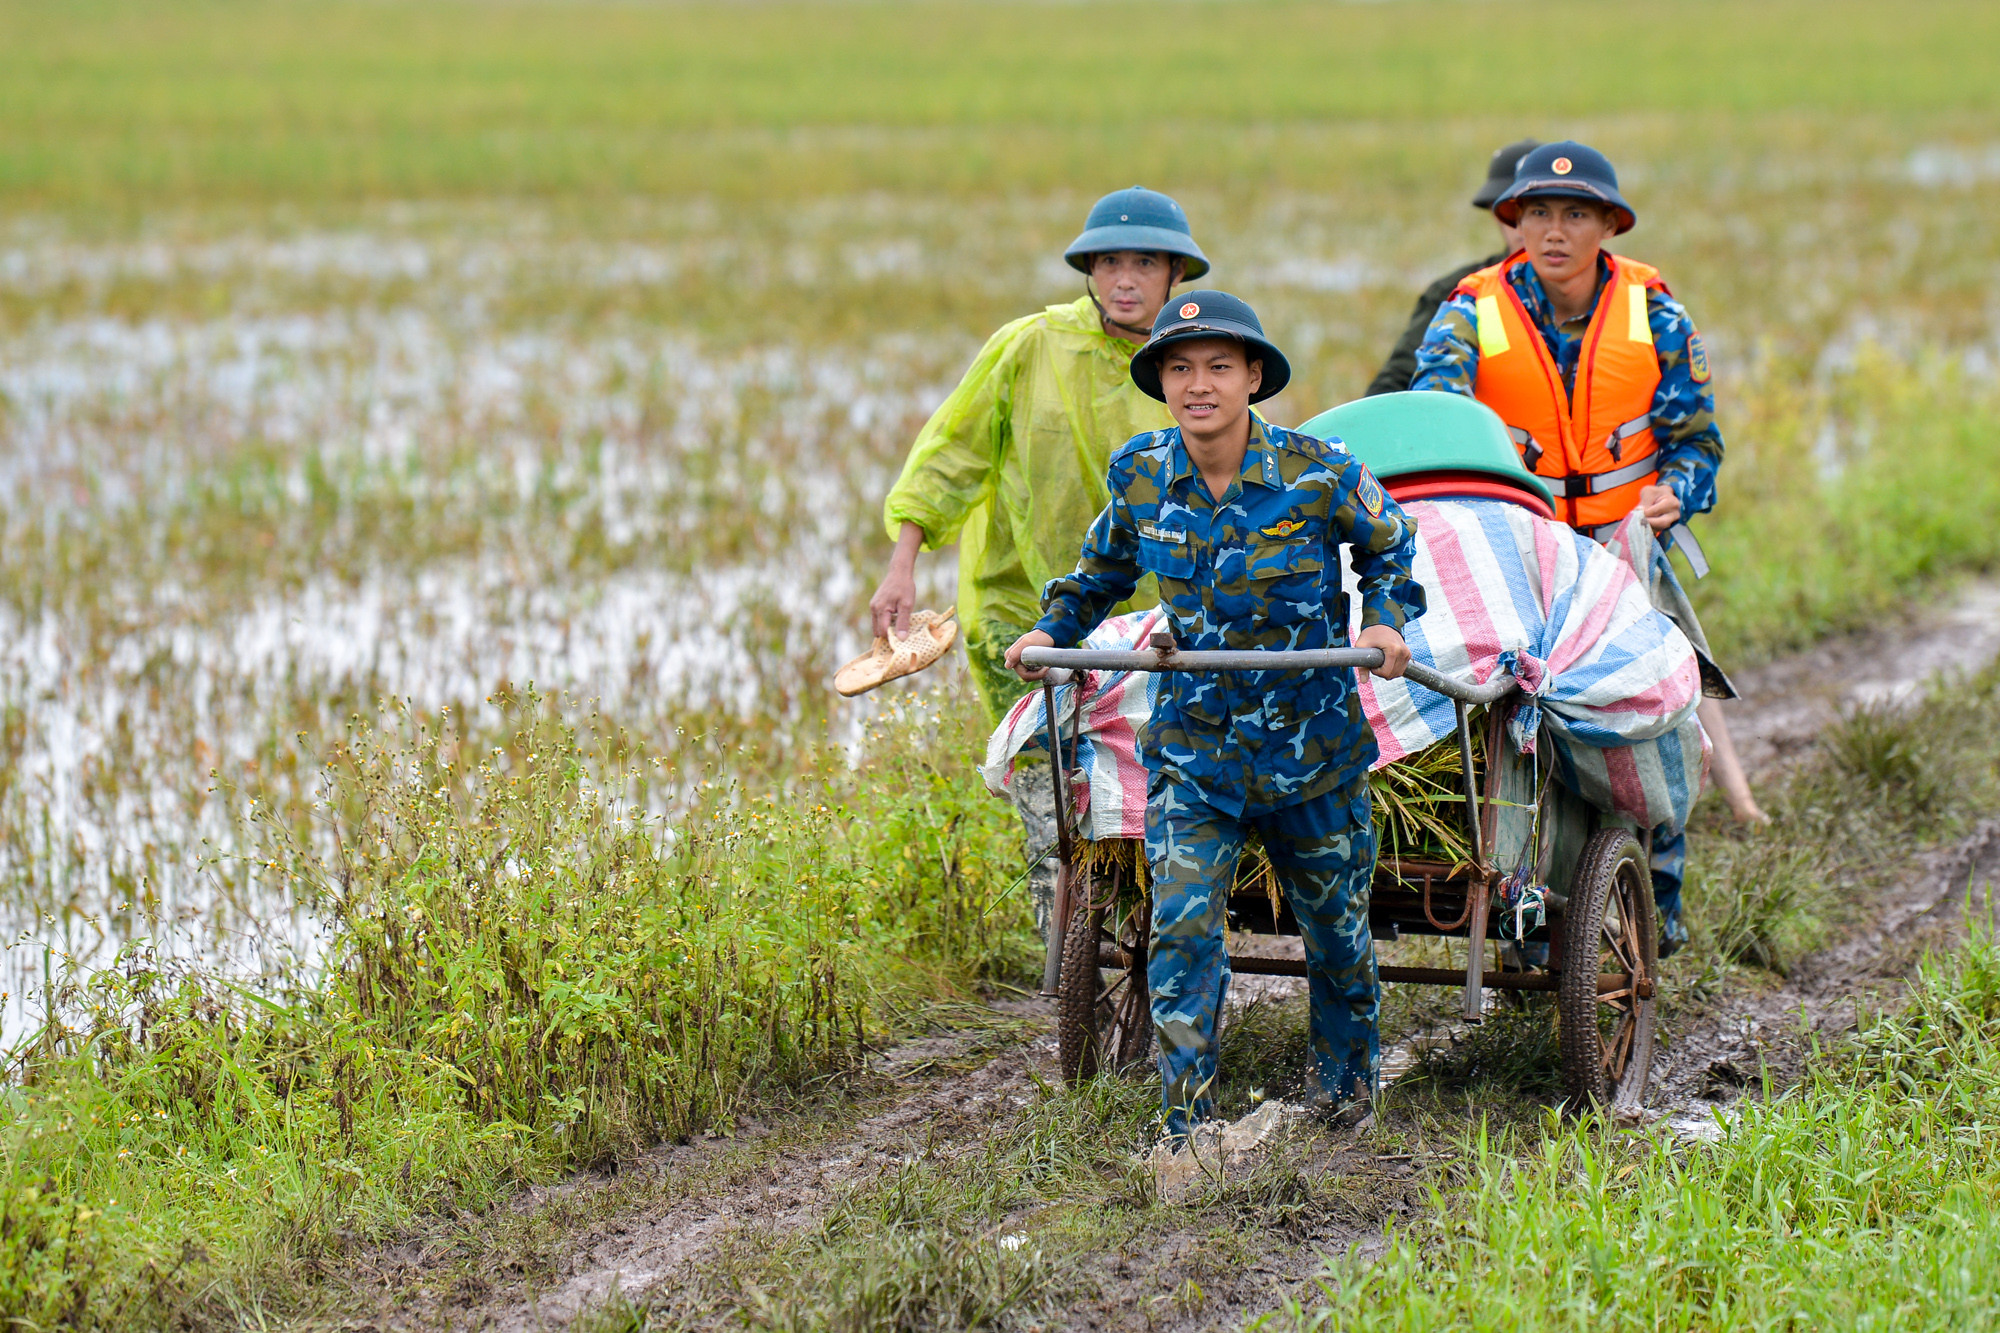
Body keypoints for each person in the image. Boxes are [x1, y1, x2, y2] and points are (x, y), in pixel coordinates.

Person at [1006, 292, 1425, 1135]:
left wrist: (1384, 620)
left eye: (1219, 367)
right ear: (1161, 381)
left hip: (1312, 750)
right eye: (1180, 368)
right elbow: (1099, 574)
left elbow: (1391, 546)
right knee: (1183, 934)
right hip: (1196, 753)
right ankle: (1187, 1127)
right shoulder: (1140, 473)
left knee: (1337, 938)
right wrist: (1052, 632)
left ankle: (1346, 1101)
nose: (1199, 385)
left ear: (1254, 377)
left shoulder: (1319, 471)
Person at [1409, 139, 1753, 953]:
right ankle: (1529, 915)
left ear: (1609, 226)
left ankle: (1655, 904)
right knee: (1519, 725)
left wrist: (1678, 492)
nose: (1554, 230)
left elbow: (1697, 442)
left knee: (1650, 711)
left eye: (1574, 214)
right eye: (1537, 213)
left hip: (1622, 550)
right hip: (1521, 554)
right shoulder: (1469, 310)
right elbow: (1436, 414)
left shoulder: (1656, 313)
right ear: (1515, 222)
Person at [873, 186, 1211, 943]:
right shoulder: (1030, 345)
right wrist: (903, 563)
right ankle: (1064, 947)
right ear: (1089, 270)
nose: (1126, 280)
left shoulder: (1192, 365)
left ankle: (1138, 932)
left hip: (1143, 620)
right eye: (1110, 262)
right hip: (1018, 607)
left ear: (1176, 274)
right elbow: (952, 454)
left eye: (1145, 263)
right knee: (1047, 782)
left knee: (1139, 773)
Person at [1363, 139, 1540, 397]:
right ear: (1495, 213)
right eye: (1514, 210)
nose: (1525, 225)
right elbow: (1394, 383)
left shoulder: (1601, 290)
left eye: (1542, 211)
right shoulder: (1455, 292)